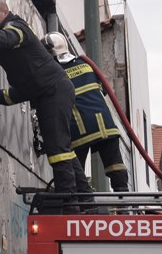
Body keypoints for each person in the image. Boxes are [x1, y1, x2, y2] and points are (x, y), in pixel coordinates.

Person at [0, 0, 92, 209]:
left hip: (53, 91)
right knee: (61, 147)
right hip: (44, 92)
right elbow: (12, 95)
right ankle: (86, 199)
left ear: (6, 12)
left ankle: (69, 204)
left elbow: (1, 38)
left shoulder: (17, 28)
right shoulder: (4, 33)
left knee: (57, 148)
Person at [42, 32, 129, 192]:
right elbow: (101, 91)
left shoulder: (54, 73)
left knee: (75, 171)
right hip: (106, 125)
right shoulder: (86, 64)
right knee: (115, 165)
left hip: (79, 129)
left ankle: (83, 203)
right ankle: (123, 201)